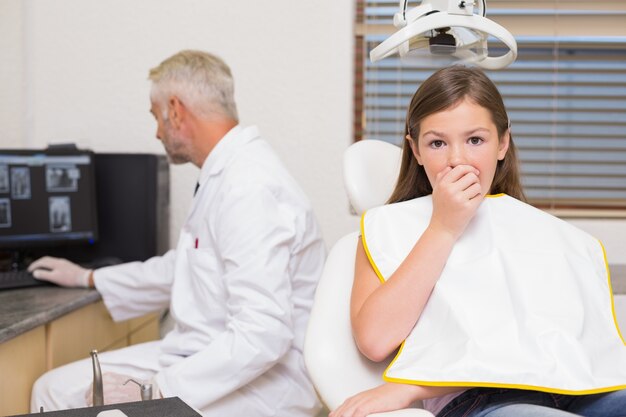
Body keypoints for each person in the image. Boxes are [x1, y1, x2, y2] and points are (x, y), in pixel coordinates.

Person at [28, 50, 326, 417]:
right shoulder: (226, 174)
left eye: (156, 116)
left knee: (92, 404)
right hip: (205, 355)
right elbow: (184, 268)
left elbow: (262, 333)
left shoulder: (248, 186)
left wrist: (156, 390)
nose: (156, 131)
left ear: (175, 109)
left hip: (264, 384)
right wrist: (87, 276)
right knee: (52, 390)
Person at [331, 66, 626, 417]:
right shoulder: (387, 229)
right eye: (437, 143)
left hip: (580, 392)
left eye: (475, 140)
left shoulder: (545, 235)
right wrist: (443, 227)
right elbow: (375, 340)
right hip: (483, 403)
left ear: (502, 143)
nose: (457, 159)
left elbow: (563, 347)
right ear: (416, 149)